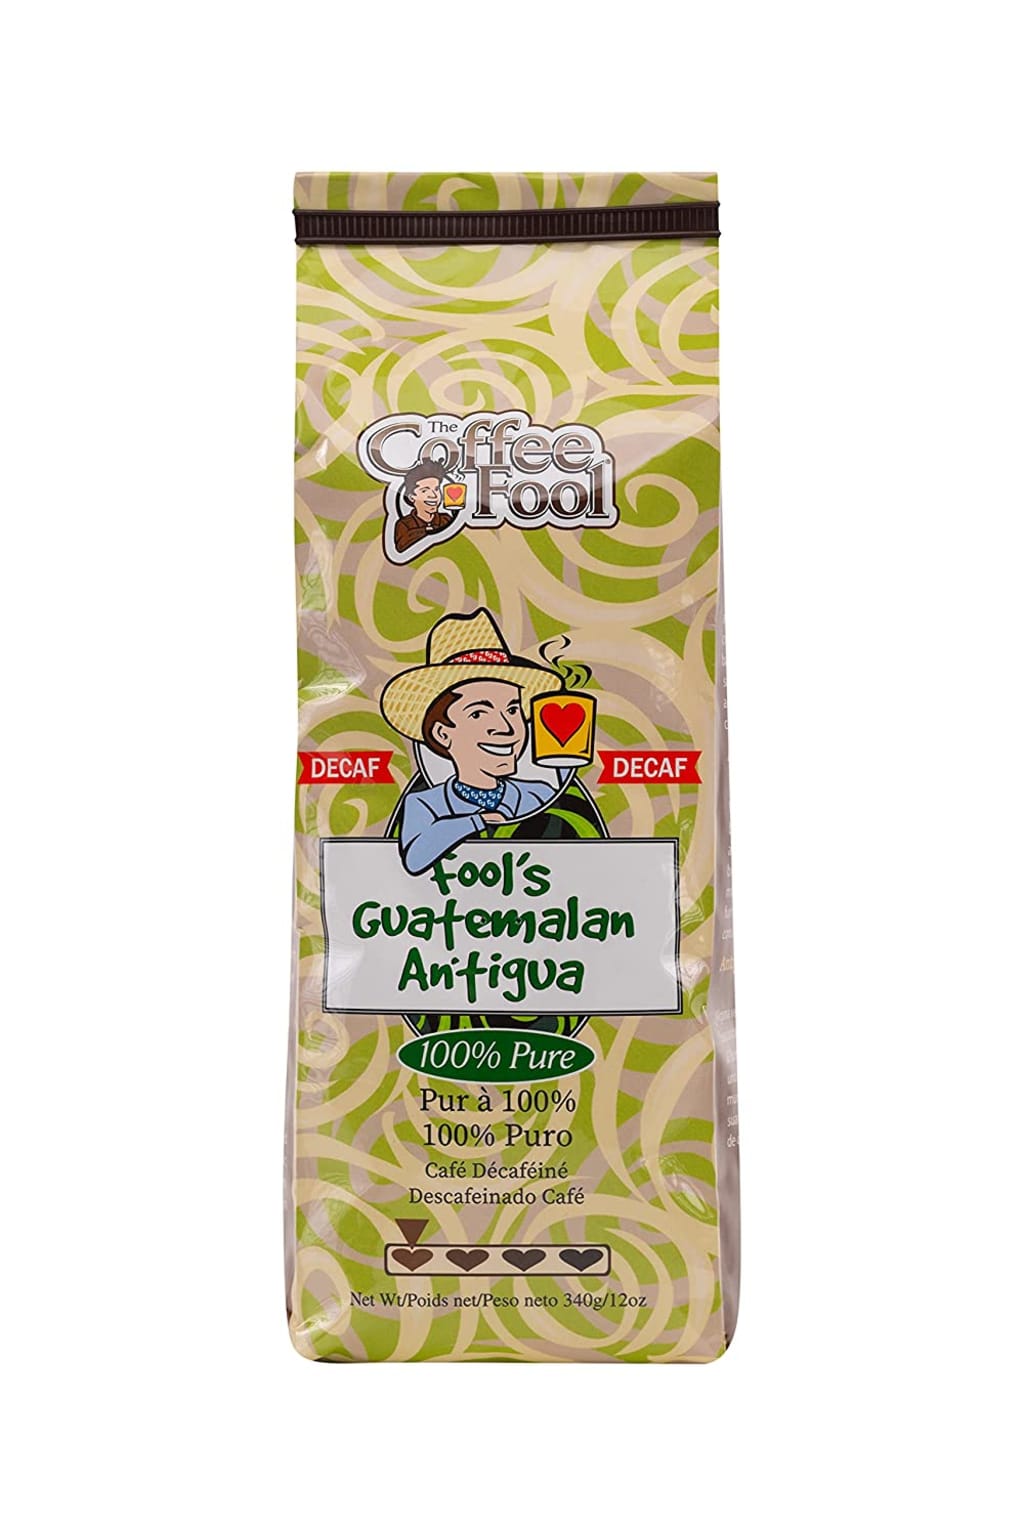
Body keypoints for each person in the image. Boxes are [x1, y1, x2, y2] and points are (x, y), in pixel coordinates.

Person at [380, 609, 571, 875]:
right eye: (479, 714)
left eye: (512, 710)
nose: (506, 728)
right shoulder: (424, 804)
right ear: (442, 734)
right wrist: (476, 821)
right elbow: (415, 859)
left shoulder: (538, 795)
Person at [393, 462, 455, 554]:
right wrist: (427, 530)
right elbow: (402, 546)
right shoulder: (404, 524)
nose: (433, 495)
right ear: (411, 497)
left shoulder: (446, 520)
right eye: (424, 491)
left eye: (436, 489)